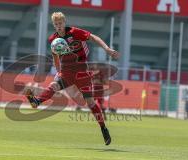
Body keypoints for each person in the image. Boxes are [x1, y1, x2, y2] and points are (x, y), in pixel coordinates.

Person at [24, 12, 119, 145]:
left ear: (64, 22)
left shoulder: (75, 32)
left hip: (82, 71)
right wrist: (58, 70)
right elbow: (55, 56)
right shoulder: (53, 39)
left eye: (60, 23)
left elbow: (93, 37)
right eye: (56, 24)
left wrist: (107, 49)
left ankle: (103, 128)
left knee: (90, 103)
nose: (59, 26)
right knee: (54, 85)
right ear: (54, 25)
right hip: (66, 71)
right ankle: (36, 101)